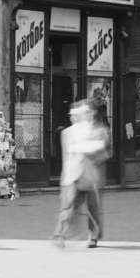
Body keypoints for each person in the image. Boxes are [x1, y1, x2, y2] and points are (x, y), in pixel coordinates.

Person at [51, 100, 109, 249]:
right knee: (68, 207)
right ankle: (59, 234)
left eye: (80, 114)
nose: (74, 117)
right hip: (74, 177)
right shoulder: (68, 132)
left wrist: (83, 148)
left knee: (93, 209)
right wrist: (65, 178)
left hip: (93, 177)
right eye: (73, 115)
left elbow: (103, 149)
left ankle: (93, 236)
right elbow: (66, 157)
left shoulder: (99, 130)